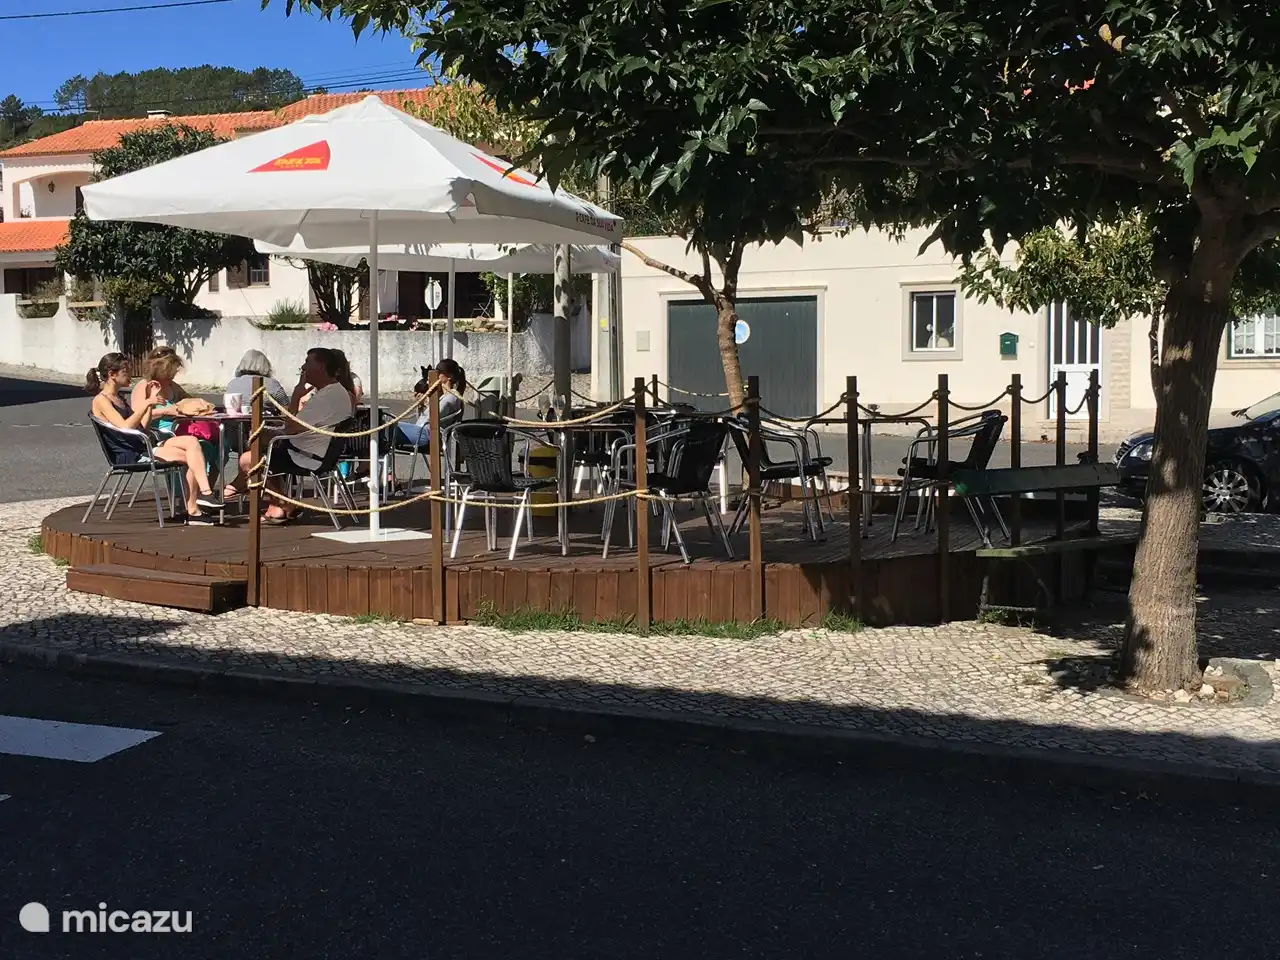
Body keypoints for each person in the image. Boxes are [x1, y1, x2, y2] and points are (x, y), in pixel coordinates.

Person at [87, 352, 222, 522]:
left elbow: (143, 426)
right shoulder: (101, 400)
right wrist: (147, 403)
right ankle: (193, 509)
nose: (131, 374)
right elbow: (125, 427)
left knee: (193, 443)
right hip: (130, 453)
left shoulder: (119, 397)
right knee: (191, 457)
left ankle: (205, 494)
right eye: (126, 371)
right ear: (112, 374)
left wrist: (151, 401)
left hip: (143, 444)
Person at [228, 347, 355, 523]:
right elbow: (295, 426)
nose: (303, 367)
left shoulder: (326, 397)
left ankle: (279, 501)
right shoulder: (336, 392)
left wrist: (296, 395)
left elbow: (290, 428)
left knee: (248, 458)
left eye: (307, 362)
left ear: (321, 366)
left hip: (307, 456)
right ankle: (274, 504)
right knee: (262, 445)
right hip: (319, 453)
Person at [398, 359, 465, 451]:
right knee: (388, 428)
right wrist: (422, 405)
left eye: (438, 372)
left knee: (389, 429)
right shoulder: (445, 397)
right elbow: (422, 421)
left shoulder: (451, 398)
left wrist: (428, 402)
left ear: (448, 376)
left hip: (429, 436)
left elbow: (432, 418)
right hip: (424, 432)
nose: (435, 375)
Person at [224, 349, 289, 411]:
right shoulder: (272, 384)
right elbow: (286, 408)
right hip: (266, 421)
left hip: (234, 422)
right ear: (265, 365)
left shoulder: (232, 383)